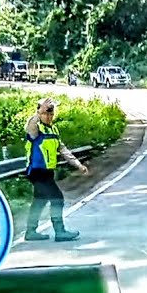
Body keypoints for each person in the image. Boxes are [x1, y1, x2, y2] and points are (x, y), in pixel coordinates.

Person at [24, 98, 88, 242]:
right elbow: (30, 126)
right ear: (40, 113)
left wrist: (78, 165)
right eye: (46, 113)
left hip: (47, 172)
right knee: (57, 198)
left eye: (51, 114)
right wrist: (40, 110)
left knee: (39, 201)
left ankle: (30, 231)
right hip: (37, 171)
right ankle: (60, 232)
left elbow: (63, 150)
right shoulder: (35, 129)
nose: (49, 116)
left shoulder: (53, 130)